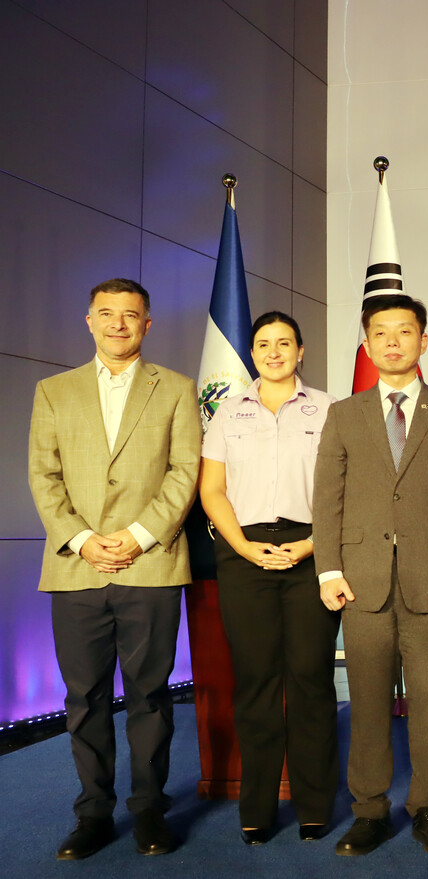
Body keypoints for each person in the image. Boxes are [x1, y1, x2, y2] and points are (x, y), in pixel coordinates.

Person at [28, 278, 201, 859]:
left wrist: (135, 536)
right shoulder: (53, 391)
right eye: (107, 313)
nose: (118, 324)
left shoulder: (176, 389)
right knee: (85, 698)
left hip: (149, 565)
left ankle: (150, 810)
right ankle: (93, 814)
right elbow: (43, 476)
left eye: (131, 315)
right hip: (76, 571)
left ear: (148, 324)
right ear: (89, 320)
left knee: (150, 696)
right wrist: (82, 540)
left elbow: (185, 472)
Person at [313, 294, 428, 857]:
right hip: (359, 582)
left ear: (422, 341)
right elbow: (328, 499)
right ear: (367, 345)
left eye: (404, 331)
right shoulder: (344, 413)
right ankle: (369, 811)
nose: (392, 341)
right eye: (380, 333)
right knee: (364, 702)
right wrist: (328, 570)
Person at [198, 312, 341, 844]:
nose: (274, 352)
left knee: (309, 679)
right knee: (256, 682)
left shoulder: (329, 409)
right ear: (252, 353)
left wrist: (310, 545)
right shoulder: (227, 412)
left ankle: (314, 807)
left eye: (284, 343)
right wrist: (244, 548)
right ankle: (256, 809)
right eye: (263, 344)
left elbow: (344, 490)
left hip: (313, 547)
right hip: (243, 552)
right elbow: (212, 490)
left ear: (301, 350)